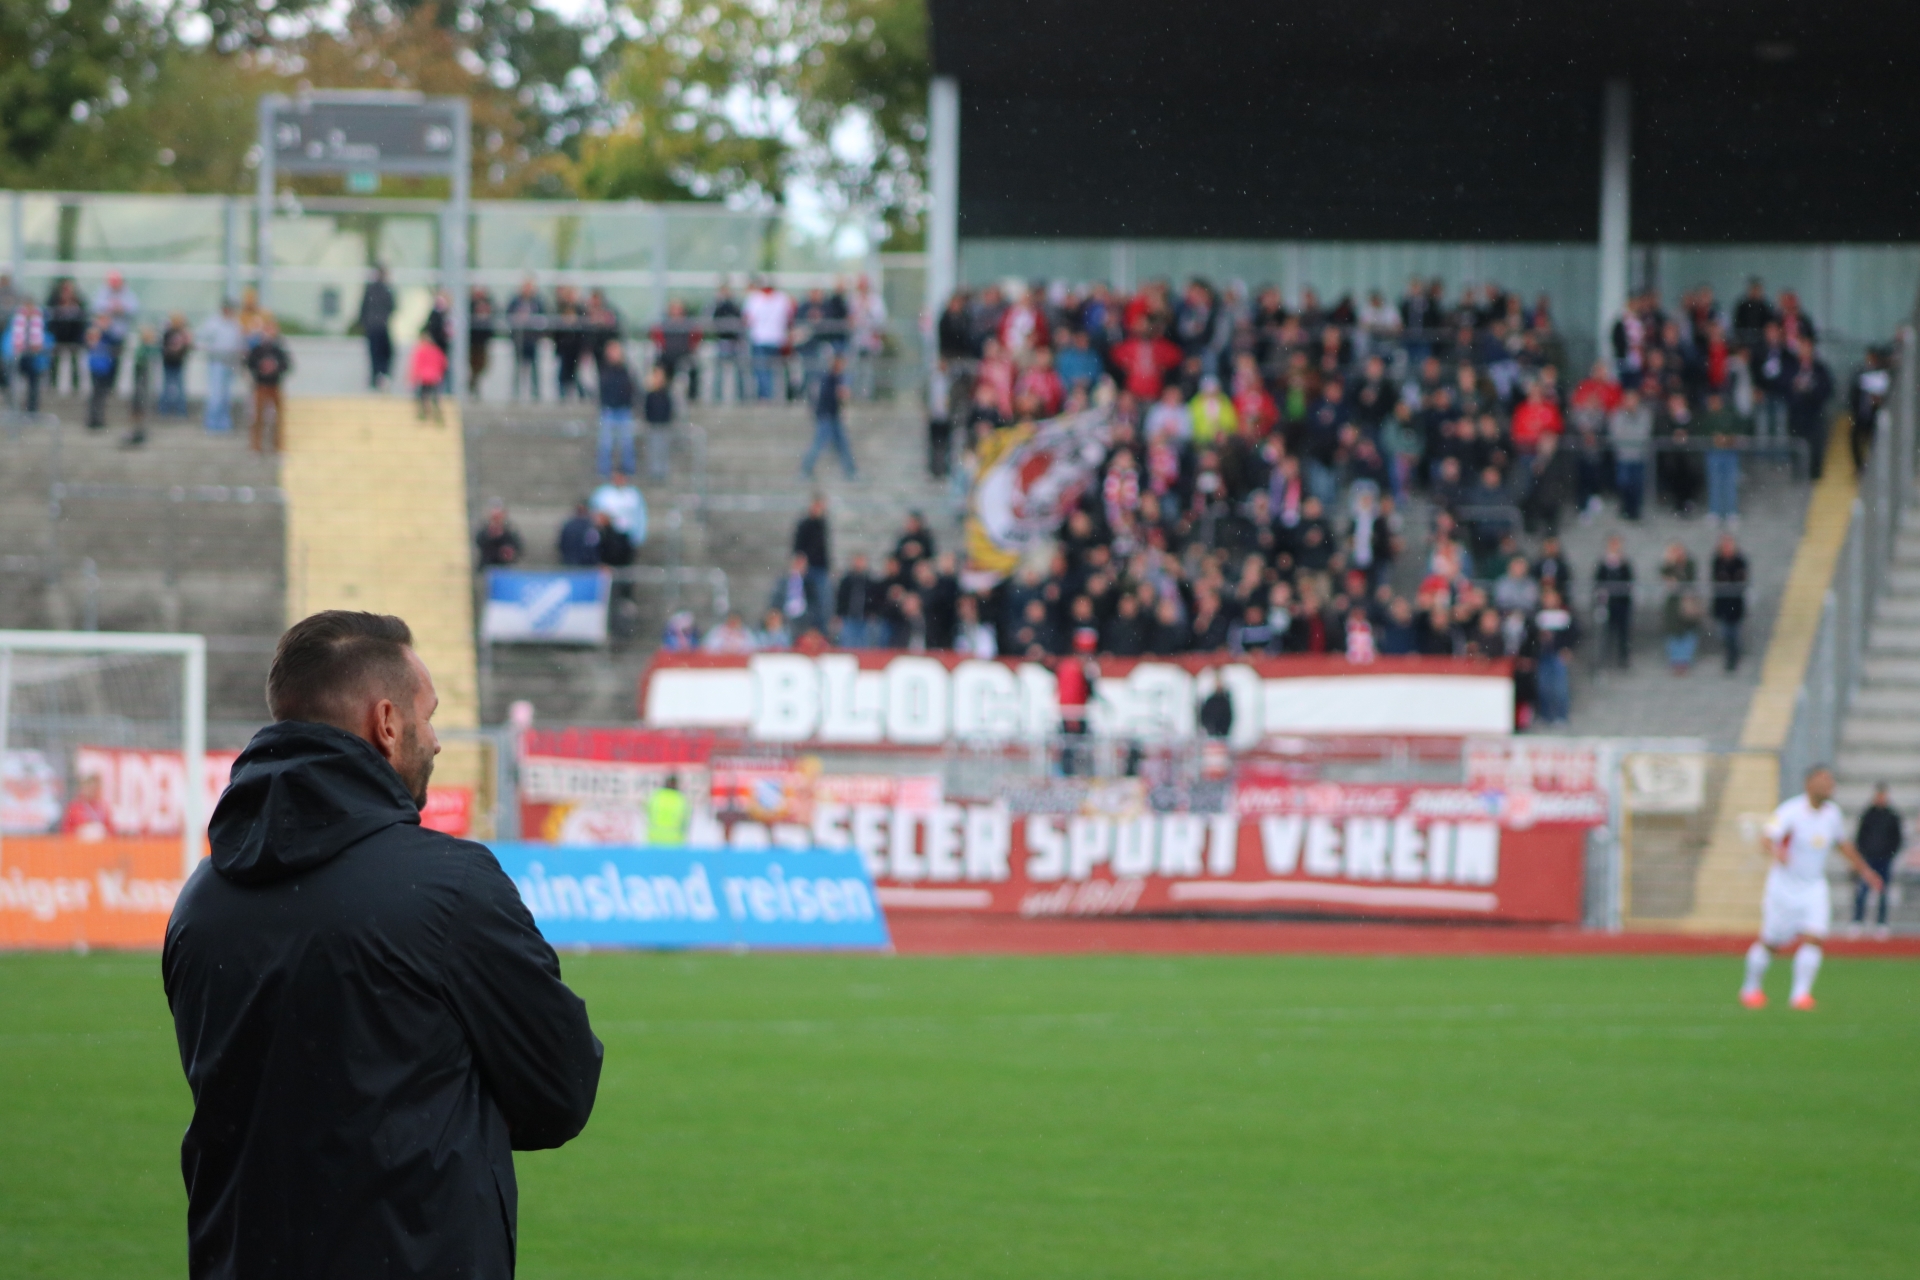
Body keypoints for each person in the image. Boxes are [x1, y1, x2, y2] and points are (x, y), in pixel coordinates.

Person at [163, 610, 602, 1279]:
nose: (437, 739)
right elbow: (561, 1090)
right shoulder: (449, 888)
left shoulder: (200, 901)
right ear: (387, 723)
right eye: (429, 716)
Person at [1741, 765, 1883, 1010]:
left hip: (1814, 886)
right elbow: (1766, 838)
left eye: (1830, 782)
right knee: (1771, 942)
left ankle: (1800, 995)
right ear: (1809, 784)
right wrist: (1777, 852)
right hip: (1784, 887)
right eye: (1823, 781)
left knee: (1815, 937)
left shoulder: (1832, 814)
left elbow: (1842, 844)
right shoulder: (1791, 811)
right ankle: (1750, 988)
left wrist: (1866, 871)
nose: (1829, 786)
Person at [1853, 784, 1902, 935]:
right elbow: (1860, 836)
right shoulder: (1868, 814)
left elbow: (1897, 838)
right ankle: (1857, 920)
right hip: (1869, 859)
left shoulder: (1892, 815)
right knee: (1862, 891)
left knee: (1883, 891)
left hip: (1885, 859)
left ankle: (1881, 922)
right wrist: (1863, 853)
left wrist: (1890, 853)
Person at [802, 352, 857, 479]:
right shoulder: (828, 377)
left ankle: (851, 472)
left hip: (833, 416)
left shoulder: (838, 378)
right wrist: (838, 393)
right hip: (826, 416)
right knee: (819, 444)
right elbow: (824, 396)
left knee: (842, 445)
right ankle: (805, 470)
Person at [245, 317, 291, 453]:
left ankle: (277, 444)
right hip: (261, 386)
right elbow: (249, 364)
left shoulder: (279, 349)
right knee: (258, 417)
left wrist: (275, 368)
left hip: (274, 386)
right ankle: (256, 445)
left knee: (277, 418)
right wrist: (261, 368)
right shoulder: (257, 349)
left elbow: (287, 365)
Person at [744, 278, 794, 400]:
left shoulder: (754, 298)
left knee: (762, 370)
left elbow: (747, 319)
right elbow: (790, 316)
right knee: (774, 370)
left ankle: (766, 396)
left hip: (760, 338)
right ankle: (775, 395)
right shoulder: (782, 298)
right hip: (777, 338)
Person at [198, 299, 243, 435]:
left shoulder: (235, 324)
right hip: (217, 362)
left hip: (230, 362)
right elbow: (201, 337)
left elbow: (239, 342)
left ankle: (224, 423)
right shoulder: (213, 323)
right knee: (216, 395)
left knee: (226, 395)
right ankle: (211, 423)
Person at [596, 339, 637, 478]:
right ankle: (604, 472)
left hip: (623, 410)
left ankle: (628, 471)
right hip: (609, 409)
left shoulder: (625, 370)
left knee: (627, 443)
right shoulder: (604, 369)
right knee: (606, 443)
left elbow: (630, 388)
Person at [1710, 533, 1749, 672]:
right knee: (1725, 632)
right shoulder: (1717, 560)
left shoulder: (1739, 561)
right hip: (1723, 602)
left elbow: (1740, 578)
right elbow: (1718, 578)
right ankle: (1729, 654)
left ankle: (1733, 656)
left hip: (1735, 603)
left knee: (1734, 632)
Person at [1594, 535, 1634, 670]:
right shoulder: (1603, 564)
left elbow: (1629, 581)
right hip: (1607, 603)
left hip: (1622, 603)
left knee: (1623, 633)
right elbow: (1598, 581)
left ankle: (1623, 659)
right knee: (1606, 632)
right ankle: (1605, 659)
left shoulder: (1625, 564)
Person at [357, 265, 396, 389]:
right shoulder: (386, 290)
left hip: (372, 327)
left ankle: (376, 378)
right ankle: (382, 376)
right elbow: (392, 307)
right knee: (385, 353)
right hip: (381, 327)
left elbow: (363, 308)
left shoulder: (370, 289)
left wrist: (364, 323)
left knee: (374, 354)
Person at [507, 278, 545, 400]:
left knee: (534, 367)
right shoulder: (515, 301)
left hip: (532, 339)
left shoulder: (537, 301)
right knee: (517, 367)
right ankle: (515, 393)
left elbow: (543, 318)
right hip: (519, 339)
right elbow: (508, 315)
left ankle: (536, 393)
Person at [8, 296, 46, 414]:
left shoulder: (39, 320)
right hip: (20, 356)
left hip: (34, 356)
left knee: (33, 382)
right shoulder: (17, 320)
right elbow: (14, 339)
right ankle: (17, 406)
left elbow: (40, 340)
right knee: (17, 381)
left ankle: (31, 407)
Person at [589, 470, 647, 547]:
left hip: (627, 534)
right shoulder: (603, 493)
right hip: (609, 533)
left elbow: (639, 516)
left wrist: (639, 535)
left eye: (621, 478)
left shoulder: (633, 494)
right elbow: (595, 511)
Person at [642, 364, 674, 481]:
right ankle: (654, 473)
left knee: (663, 450)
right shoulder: (650, 394)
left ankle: (662, 473)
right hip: (653, 425)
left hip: (664, 425)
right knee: (653, 450)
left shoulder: (666, 393)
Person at [411, 332, 449, 423]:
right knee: (434, 396)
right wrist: (440, 374)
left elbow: (417, 365)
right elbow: (443, 362)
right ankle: (437, 415)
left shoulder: (421, 351)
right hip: (435, 377)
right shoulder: (436, 350)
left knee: (422, 395)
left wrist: (414, 378)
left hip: (424, 378)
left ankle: (423, 413)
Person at [648, 774, 689, 845]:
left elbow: (647, 814)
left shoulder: (655, 797)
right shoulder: (681, 799)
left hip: (654, 840)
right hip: (675, 841)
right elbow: (686, 822)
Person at [557, 499, 601, 566]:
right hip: (584, 563)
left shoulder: (569, 525)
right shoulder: (590, 526)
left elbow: (561, 544)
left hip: (571, 561)